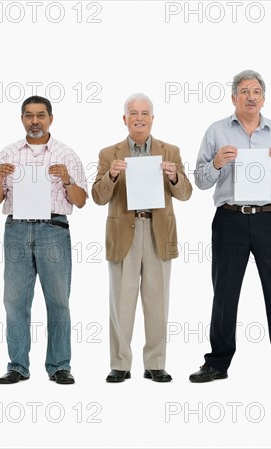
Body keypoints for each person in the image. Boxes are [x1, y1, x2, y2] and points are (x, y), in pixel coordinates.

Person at [191, 69, 271, 383]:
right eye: (244, 91)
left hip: (269, 220)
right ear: (233, 97)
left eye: (256, 92)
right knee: (224, 293)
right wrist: (216, 163)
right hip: (230, 219)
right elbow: (200, 180)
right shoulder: (216, 131)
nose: (251, 96)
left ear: (263, 98)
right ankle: (217, 363)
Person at [0, 96, 88, 385]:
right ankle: (17, 366)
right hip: (16, 230)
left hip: (53, 229)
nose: (35, 121)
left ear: (51, 119)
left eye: (41, 115)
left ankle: (59, 366)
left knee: (58, 301)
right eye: (29, 116)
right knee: (14, 301)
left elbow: (81, 202)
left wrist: (67, 180)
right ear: (22, 120)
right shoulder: (7, 154)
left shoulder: (66, 155)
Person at [92, 93, 192, 383]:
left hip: (158, 231)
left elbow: (185, 194)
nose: (139, 118)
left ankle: (155, 363)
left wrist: (174, 177)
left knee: (157, 301)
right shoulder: (109, 153)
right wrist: (110, 176)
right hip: (124, 232)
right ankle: (120, 364)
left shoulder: (170, 151)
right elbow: (98, 197)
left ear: (152, 118)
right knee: (121, 302)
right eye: (133, 113)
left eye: (144, 113)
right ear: (124, 119)